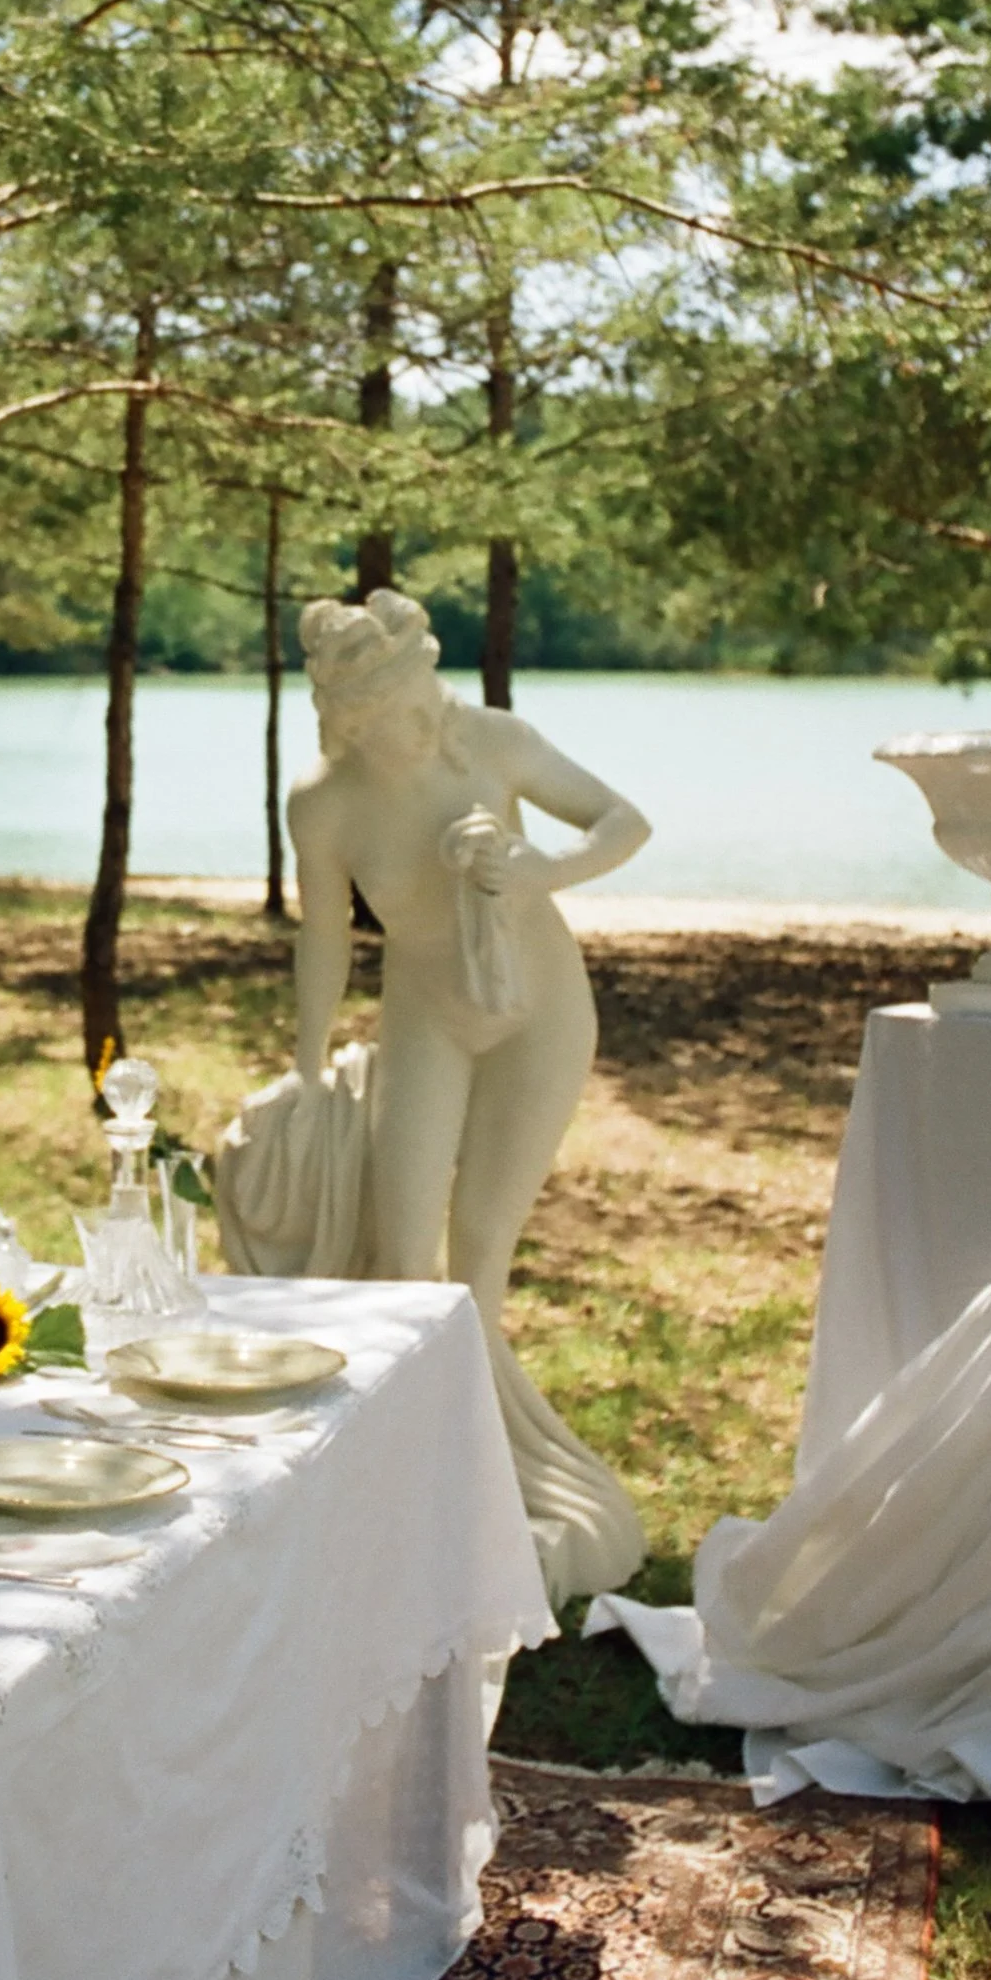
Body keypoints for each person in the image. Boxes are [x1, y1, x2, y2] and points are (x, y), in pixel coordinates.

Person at [219, 587, 651, 1603]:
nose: (406, 732)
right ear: (344, 719)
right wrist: (311, 1059)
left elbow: (623, 820)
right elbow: (323, 934)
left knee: (480, 1252)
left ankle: (481, 1485)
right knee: (402, 1253)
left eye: (414, 708)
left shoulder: (493, 743)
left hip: (538, 1014)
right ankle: (395, 1478)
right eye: (378, 720)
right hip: (424, 1013)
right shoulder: (323, 803)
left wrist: (541, 868)